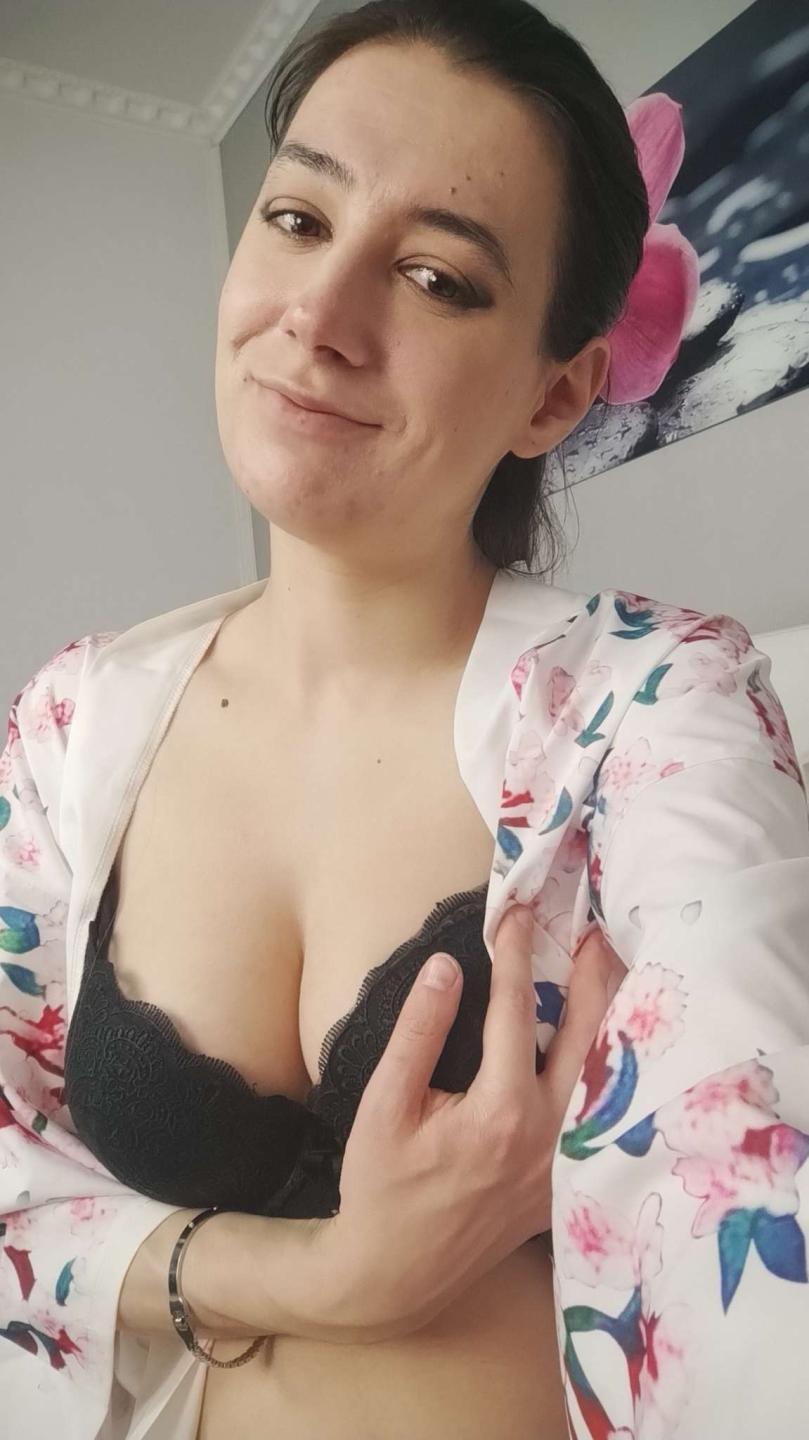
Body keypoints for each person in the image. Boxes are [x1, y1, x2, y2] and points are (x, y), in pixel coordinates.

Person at [2, 2, 808, 1437]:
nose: (317, 315)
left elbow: (749, 1177)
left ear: (555, 393)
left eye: (436, 276)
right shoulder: (70, 726)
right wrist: (333, 1279)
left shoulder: (657, 706)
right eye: (298, 218)